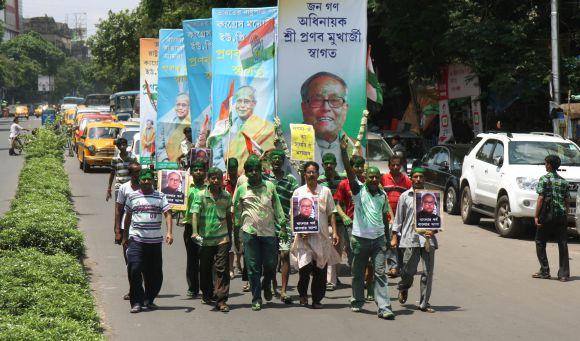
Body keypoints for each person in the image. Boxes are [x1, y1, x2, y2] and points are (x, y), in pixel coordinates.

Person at [341, 136, 395, 320]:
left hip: (379, 240)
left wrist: (388, 239)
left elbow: (384, 218)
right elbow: (349, 172)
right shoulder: (358, 190)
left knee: (380, 273)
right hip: (360, 240)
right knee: (357, 273)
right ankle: (357, 300)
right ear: (366, 177)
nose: (373, 179)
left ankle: (384, 307)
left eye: (376, 177)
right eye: (370, 176)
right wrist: (343, 152)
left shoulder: (382, 195)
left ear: (379, 178)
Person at [233, 155, 286, 311]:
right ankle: (256, 298)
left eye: (257, 169)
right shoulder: (242, 189)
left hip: (269, 232)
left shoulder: (269, 186)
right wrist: (237, 235)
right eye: (251, 170)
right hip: (250, 233)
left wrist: (282, 226)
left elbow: (277, 206)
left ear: (261, 170)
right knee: (253, 267)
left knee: (271, 264)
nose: (254, 172)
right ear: (246, 172)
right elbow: (236, 212)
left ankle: (267, 283)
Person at [123, 169, 173, 313]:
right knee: (134, 269)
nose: (146, 181)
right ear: (139, 181)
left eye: (148, 179)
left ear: (152, 181)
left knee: (155, 274)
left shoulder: (160, 196)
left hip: (154, 242)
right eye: (143, 179)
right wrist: (125, 236)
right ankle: (136, 302)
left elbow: (167, 214)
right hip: (136, 240)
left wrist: (169, 232)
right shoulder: (132, 196)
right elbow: (127, 217)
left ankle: (149, 299)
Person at [291, 161, 340, 309]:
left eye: (314, 172)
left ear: (318, 174)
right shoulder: (298, 192)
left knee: (320, 269)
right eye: (309, 172)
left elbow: (331, 213)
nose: (312, 175)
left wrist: (335, 232)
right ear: (304, 174)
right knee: (304, 269)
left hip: (321, 237)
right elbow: (294, 216)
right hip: (303, 238)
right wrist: (300, 231)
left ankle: (317, 299)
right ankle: (303, 295)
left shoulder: (325, 191)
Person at [391, 167, 438, 313]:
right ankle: (404, 287)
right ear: (411, 178)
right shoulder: (405, 196)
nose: (418, 179)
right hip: (410, 238)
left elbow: (436, 220)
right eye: (416, 176)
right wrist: (394, 236)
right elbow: (398, 218)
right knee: (408, 271)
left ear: (424, 179)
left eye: (421, 177)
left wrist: (434, 229)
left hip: (427, 240)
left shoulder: (432, 196)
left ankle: (424, 303)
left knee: (427, 273)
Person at [191, 167, 233, 312]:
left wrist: (230, 235)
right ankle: (207, 293)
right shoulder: (201, 195)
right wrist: (195, 232)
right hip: (205, 239)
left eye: (218, 178)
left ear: (222, 180)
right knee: (205, 268)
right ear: (208, 179)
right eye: (213, 178)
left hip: (222, 238)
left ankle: (221, 300)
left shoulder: (227, 196)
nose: (215, 181)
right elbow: (195, 214)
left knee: (222, 269)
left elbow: (229, 216)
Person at [334, 155, 373, 300]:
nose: (359, 169)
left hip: (368, 225)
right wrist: (343, 216)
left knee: (369, 258)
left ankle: (369, 286)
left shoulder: (369, 182)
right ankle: (358, 286)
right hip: (351, 225)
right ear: (350, 168)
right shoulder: (344, 184)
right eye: (356, 166)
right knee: (354, 256)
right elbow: (336, 203)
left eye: (361, 166)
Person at [300, 72, 356, 172]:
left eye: (334, 100)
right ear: (304, 107)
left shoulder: (358, 149)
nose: (326, 108)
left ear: (345, 108)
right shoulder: (286, 146)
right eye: (317, 100)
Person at [210, 86, 275, 172]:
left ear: (254, 104)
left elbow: (268, 158)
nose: (242, 106)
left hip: (254, 177)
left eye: (246, 101)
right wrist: (228, 173)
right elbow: (217, 157)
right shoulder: (224, 128)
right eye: (239, 101)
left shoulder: (265, 128)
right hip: (227, 177)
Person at [263, 149, 299, 304]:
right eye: (274, 158)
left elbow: (297, 198)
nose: (276, 161)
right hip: (267, 226)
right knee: (270, 259)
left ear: (283, 161)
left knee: (284, 255)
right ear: (270, 161)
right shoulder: (264, 179)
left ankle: (284, 291)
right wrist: (260, 158)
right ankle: (272, 284)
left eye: (279, 159)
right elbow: (249, 170)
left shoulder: (290, 180)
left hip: (285, 226)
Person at [533, 155, 570, 282]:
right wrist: (565, 215)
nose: (545, 165)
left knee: (540, 241)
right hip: (561, 216)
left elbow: (541, 198)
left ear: (549, 165)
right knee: (563, 244)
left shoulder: (544, 179)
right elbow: (567, 201)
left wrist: (536, 216)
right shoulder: (564, 182)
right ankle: (563, 274)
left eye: (546, 163)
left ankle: (544, 271)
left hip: (547, 216)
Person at [318, 153, 345, 291]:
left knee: (337, 251)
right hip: (324, 221)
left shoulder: (343, 178)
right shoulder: (318, 180)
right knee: (325, 250)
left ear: (335, 164)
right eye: (326, 163)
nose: (329, 166)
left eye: (331, 163)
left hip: (340, 221)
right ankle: (328, 280)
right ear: (322, 165)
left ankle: (334, 276)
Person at [381, 155, 412, 278]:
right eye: (393, 165)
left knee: (401, 243)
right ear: (389, 166)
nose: (395, 167)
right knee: (391, 241)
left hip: (403, 217)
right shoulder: (383, 179)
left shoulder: (406, 180)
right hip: (387, 216)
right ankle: (393, 267)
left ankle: (400, 265)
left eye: (397, 165)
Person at [114, 162, 141, 300]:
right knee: (130, 261)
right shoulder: (124, 188)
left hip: (142, 229)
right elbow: (118, 210)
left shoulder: (146, 187)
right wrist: (117, 230)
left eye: (140, 171)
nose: (138, 174)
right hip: (127, 229)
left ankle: (141, 290)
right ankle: (133, 290)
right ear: (130, 174)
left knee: (142, 262)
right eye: (136, 172)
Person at [182, 161, 207, 298]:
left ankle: (206, 287)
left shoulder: (209, 188)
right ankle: (193, 288)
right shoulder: (186, 188)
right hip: (190, 226)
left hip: (205, 226)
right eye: (196, 170)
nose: (198, 172)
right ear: (191, 173)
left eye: (201, 169)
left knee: (205, 258)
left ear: (205, 172)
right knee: (192, 259)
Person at [157, 93, 191, 162]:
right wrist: (165, 161)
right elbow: (160, 147)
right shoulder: (165, 124)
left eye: (184, 105)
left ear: (189, 107)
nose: (180, 108)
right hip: (167, 164)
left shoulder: (195, 125)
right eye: (178, 105)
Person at [107, 138, 138, 202]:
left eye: (124, 145)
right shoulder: (115, 159)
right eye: (120, 145)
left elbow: (136, 173)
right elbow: (112, 174)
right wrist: (109, 188)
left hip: (130, 187)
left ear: (127, 146)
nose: (122, 147)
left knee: (130, 207)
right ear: (118, 147)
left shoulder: (133, 158)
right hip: (119, 187)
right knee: (118, 207)